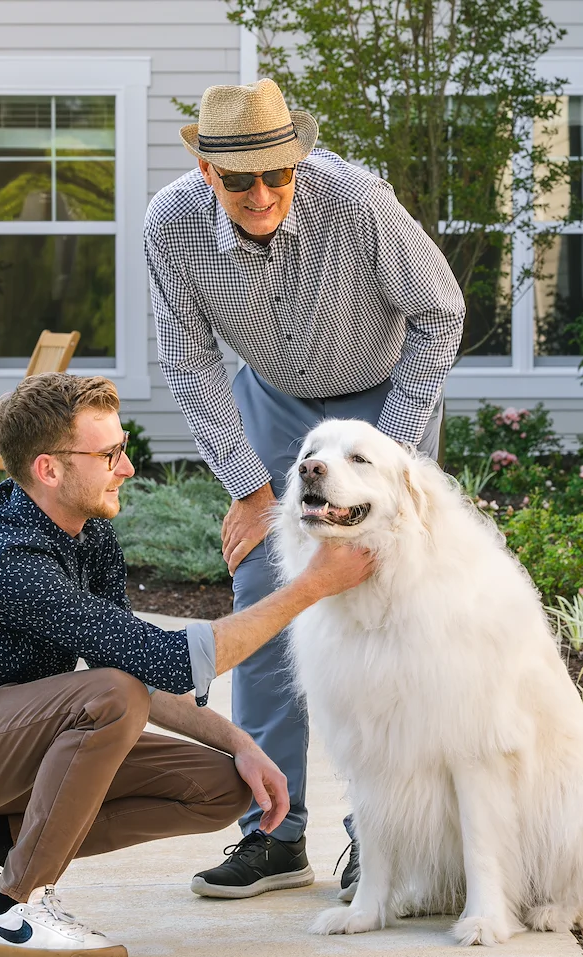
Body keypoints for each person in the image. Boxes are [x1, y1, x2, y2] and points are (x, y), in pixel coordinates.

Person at [0, 373, 373, 957]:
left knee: (225, 787)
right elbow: (161, 665)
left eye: (122, 449)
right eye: (109, 455)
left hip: (3, 749)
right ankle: (16, 910)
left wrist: (241, 745)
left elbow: (134, 672)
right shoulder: (4, 555)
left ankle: (4, 837)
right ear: (49, 469)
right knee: (110, 695)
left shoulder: (89, 535)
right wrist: (313, 584)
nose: (127, 468)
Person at [143, 78, 465, 900]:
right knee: (265, 587)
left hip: (380, 398)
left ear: (298, 160)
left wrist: (386, 452)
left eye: (277, 175)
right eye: (240, 180)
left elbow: (440, 310)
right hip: (276, 399)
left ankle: (381, 836)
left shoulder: (358, 201)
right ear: (207, 174)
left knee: (384, 606)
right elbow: (187, 359)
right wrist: (250, 487)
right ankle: (273, 833)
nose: (262, 194)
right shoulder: (171, 225)